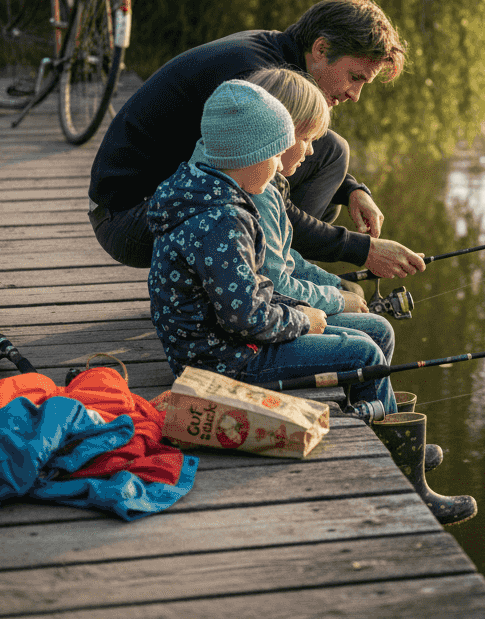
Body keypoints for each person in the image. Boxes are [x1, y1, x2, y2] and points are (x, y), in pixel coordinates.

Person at [90, 0, 426, 281]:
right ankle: (273, 283)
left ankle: (275, 273)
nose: (355, 95)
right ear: (322, 49)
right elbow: (270, 203)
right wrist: (363, 250)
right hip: (127, 217)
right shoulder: (257, 79)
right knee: (284, 190)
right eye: (355, 77)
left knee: (330, 153)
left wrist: (352, 191)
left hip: (162, 201)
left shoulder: (276, 53)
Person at [147, 78, 396, 411]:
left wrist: (301, 309)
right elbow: (247, 317)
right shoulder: (223, 221)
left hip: (223, 346)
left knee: (372, 336)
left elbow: (247, 291)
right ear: (251, 156)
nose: (280, 165)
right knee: (363, 353)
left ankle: (371, 418)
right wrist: (303, 320)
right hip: (224, 362)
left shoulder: (208, 194)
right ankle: (385, 432)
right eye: (276, 154)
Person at [203, 67, 396, 365]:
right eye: (306, 138)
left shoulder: (240, 180)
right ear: (275, 135)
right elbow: (271, 285)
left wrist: (332, 285)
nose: (311, 151)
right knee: (369, 346)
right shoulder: (255, 194)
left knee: (374, 330)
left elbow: (282, 258)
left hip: (250, 325)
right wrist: (327, 304)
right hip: (237, 347)